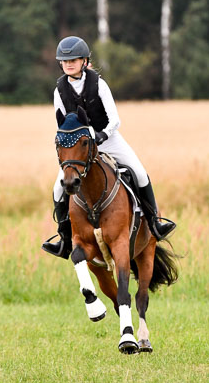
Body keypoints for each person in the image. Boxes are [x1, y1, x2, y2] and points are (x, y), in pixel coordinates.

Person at [42, 35, 176, 259]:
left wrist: (102, 135)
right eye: (65, 61)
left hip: (108, 138)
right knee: (58, 189)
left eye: (73, 60)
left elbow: (115, 119)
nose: (69, 64)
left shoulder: (99, 84)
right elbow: (62, 123)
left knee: (139, 172)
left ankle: (154, 222)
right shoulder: (59, 91)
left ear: (84, 61)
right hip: (80, 147)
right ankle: (64, 239)